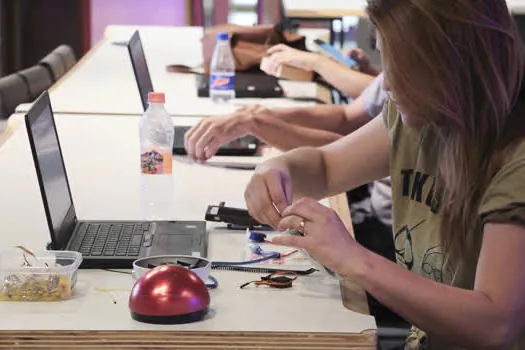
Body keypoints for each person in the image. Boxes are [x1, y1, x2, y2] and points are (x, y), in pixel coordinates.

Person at [243, 0, 525, 349]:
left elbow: (495, 325)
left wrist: (353, 259)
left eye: (402, 67)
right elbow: (326, 167)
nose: (386, 84)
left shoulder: (516, 162)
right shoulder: (421, 116)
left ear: (449, 64)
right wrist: (275, 169)